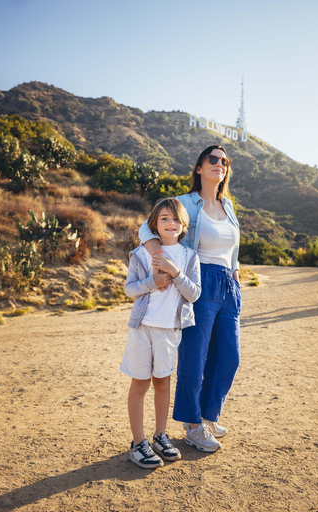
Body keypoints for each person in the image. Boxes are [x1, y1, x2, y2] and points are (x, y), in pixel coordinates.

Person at [139, 145, 241, 453]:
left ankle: (207, 416)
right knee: (194, 359)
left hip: (228, 285)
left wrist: (235, 273)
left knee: (228, 357)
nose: (219, 164)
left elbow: (232, 248)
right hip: (199, 279)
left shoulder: (228, 205)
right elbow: (146, 228)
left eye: (224, 161)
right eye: (212, 159)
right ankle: (193, 425)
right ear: (198, 167)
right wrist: (162, 259)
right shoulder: (185, 203)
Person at [121, 197, 202, 469]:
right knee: (140, 384)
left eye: (176, 219)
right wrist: (152, 282)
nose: (171, 223)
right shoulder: (140, 254)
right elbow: (130, 289)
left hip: (170, 330)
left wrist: (175, 273)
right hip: (143, 328)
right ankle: (138, 442)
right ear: (153, 223)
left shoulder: (190, 257)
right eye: (164, 218)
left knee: (163, 383)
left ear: (184, 225)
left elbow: (194, 294)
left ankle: (160, 436)